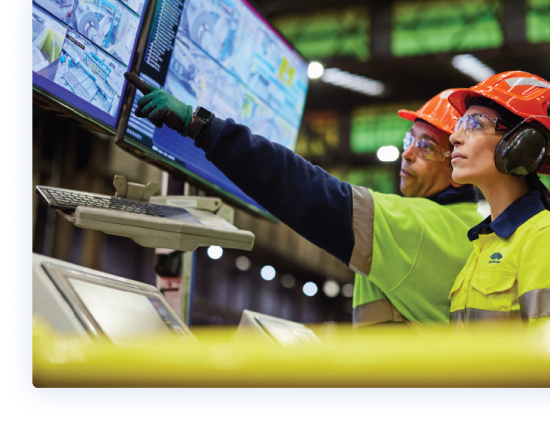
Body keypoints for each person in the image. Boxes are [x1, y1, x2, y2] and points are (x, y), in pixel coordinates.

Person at [127, 73, 483, 327]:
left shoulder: (418, 226)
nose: (407, 155)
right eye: (410, 140)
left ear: (457, 160)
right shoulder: (473, 227)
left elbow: (303, 189)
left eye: (427, 147)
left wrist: (201, 126)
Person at [445, 71, 550, 329]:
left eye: (475, 124)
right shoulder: (484, 246)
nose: (454, 137)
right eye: (460, 124)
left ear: (522, 144)